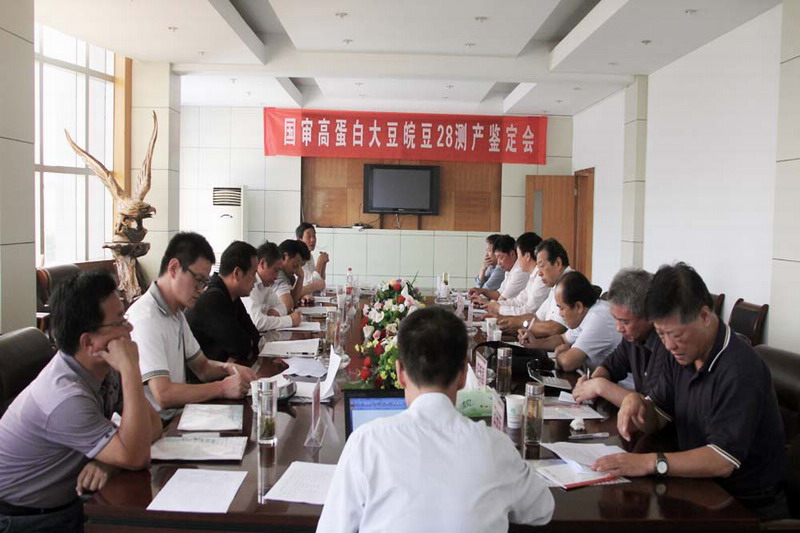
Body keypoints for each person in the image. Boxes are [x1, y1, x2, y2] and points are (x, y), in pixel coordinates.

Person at [316, 306, 554, 533]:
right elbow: (542, 510)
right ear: (463, 375)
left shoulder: (366, 443)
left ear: (400, 373)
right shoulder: (495, 447)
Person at [593, 263, 788, 521]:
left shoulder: (740, 368)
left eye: (675, 334)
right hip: (697, 488)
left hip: (744, 508)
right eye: (661, 334)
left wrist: (649, 462)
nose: (669, 345)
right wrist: (638, 404)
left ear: (704, 316)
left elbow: (721, 461)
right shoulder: (681, 355)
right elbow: (657, 417)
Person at [0, 270, 162, 532]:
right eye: (120, 321)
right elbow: (137, 456)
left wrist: (108, 461)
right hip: (27, 519)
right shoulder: (65, 398)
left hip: (69, 501)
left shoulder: (102, 366)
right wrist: (131, 369)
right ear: (88, 342)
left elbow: (153, 426)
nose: (130, 328)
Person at [127, 232, 256, 420]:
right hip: (159, 426)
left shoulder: (176, 313)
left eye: (205, 282)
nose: (201, 289)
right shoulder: (146, 318)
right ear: (174, 268)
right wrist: (222, 387)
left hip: (180, 415)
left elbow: (202, 367)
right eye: (198, 280)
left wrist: (229, 368)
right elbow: (163, 395)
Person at [572, 268, 667, 406]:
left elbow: (651, 406)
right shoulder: (633, 337)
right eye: (615, 319)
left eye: (625, 322)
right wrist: (590, 384)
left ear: (649, 315)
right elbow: (611, 366)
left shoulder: (667, 343)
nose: (618, 328)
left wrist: (600, 387)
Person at [521, 270, 620, 372]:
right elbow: (562, 339)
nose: (560, 314)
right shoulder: (586, 313)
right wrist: (535, 343)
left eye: (562, 308)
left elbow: (568, 363)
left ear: (578, 306)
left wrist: (560, 354)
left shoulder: (598, 317)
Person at [186, 240, 261, 364]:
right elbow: (241, 347)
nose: (255, 281)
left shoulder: (231, 294)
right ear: (237, 273)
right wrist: (246, 345)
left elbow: (254, 336)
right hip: (201, 374)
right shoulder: (213, 298)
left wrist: (247, 345)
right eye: (253, 274)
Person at [486, 232, 549, 331]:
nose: (517, 260)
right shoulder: (533, 275)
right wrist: (496, 305)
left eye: (518, 255)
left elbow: (529, 310)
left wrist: (499, 308)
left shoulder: (540, 278)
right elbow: (519, 301)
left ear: (527, 256)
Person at [517, 238, 573, 342]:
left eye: (541, 266)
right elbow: (537, 317)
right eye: (538, 267)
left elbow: (556, 328)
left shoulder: (570, 284)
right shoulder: (556, 284)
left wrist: (525, 326)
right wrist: (510, 321)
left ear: (558, 263)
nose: (539, 273)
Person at [243, 241, 302, 331]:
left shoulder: (266, 284)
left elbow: (282, 306)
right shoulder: (250, 283)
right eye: (276, 270)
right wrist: (290, 320)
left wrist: (275, 312)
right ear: (263, 263)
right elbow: (257, 322)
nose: (276, 276)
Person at [468, 234, 528, 304]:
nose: (498, 263)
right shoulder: (508, 270)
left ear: (512, 254)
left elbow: (501, 299)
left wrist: (485, 302)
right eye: (497, 258)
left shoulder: (519, 272)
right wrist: (482, 291)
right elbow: (498, 293)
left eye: (501, 257)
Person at [272, 239, 309, 314]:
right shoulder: (277, 273)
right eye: (295, 265)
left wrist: (301, 277)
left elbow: (293, 301)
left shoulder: (287, 274)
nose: (296, 270)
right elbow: (289, 304)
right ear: (285, 256)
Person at [296, 222, 328, 298]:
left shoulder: (310, 256)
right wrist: (319, 263)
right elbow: (312, 284)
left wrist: (323, 263)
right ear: (299, 239)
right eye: (308, 236)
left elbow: (320, 280)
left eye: (314, 236)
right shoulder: (298, 258)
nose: (312, 240)